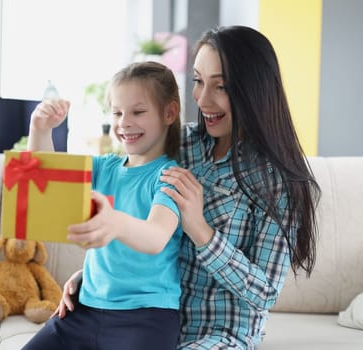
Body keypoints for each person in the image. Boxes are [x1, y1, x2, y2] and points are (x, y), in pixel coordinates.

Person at [54, 25, 321, 350]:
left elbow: (264, 292)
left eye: (220, 86)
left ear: (254, 91)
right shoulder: (180, 142)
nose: (202, 99)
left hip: (219, 334)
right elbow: (132, 203)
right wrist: (91, 278)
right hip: (147, 320)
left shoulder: (279, 181)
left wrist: (200, 230)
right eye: (197, 81)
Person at [22, 61, 184, 350]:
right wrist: (41, 130)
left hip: (147, 317)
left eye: (138, 112)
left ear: (169, 113)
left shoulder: (171, 177)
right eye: (118, 113)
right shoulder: (104, 168)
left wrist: (116, 222)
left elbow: (156, 236)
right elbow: (46, 181)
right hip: (84, 310)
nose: (124, 122)